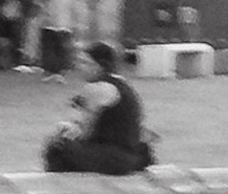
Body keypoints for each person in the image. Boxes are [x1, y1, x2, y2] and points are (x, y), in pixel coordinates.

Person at [44, 42, 155, 176]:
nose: (79, 67)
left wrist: (66, 131)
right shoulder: (121, 83)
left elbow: (85, 131)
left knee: (57, 147)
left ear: (99, 66)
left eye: (85, 63)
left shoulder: (98, 88)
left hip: (114, 158)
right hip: (130, 155)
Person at [39, 0, 76, 77]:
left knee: (49, 48)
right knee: (62, 48)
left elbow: (47, 5)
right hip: (65, 24)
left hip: (51, 23)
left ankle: (50, 69)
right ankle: (62, 69)